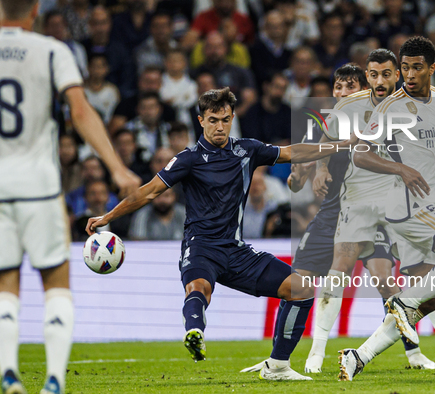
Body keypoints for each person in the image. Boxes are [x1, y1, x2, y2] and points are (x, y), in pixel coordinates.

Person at [85, 87, 356, 381]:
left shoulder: (247, 150)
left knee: (300, 289)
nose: (219, 126)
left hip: (236, 250)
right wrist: (108, 216)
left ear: (232, 118)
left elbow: (292, 152)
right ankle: (195, 332)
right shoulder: (187, 159)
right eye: (213, 120)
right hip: (201, 247)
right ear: (200, 120)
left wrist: (339, 146)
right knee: (199, 287)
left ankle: (277, 366)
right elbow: (150, 192)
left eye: (225, 119)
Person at [0, 1, 140, 393]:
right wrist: (116, 167)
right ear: (34, 13)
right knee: (55, 282)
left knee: (5, 282)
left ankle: (9, 372)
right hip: (41, 187)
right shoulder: (52, 51)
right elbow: (79, 110)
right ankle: (55, 381)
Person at [338, 36, 435, 380]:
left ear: (432, 68)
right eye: (404, 67)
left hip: (427, 204)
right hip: (406, 207)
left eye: (416, 67)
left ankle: (358, 356)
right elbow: (361, 153)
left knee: (428, 298)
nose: (408, 74)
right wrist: (401, 168)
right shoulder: (390, 107)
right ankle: (404, 303)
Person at [84, 53, 120, 124]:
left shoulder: (112, 91)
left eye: (100, 67)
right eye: (94, 66)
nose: (97, 70)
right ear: (88, 68)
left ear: (107, 69)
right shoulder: (81, 90)